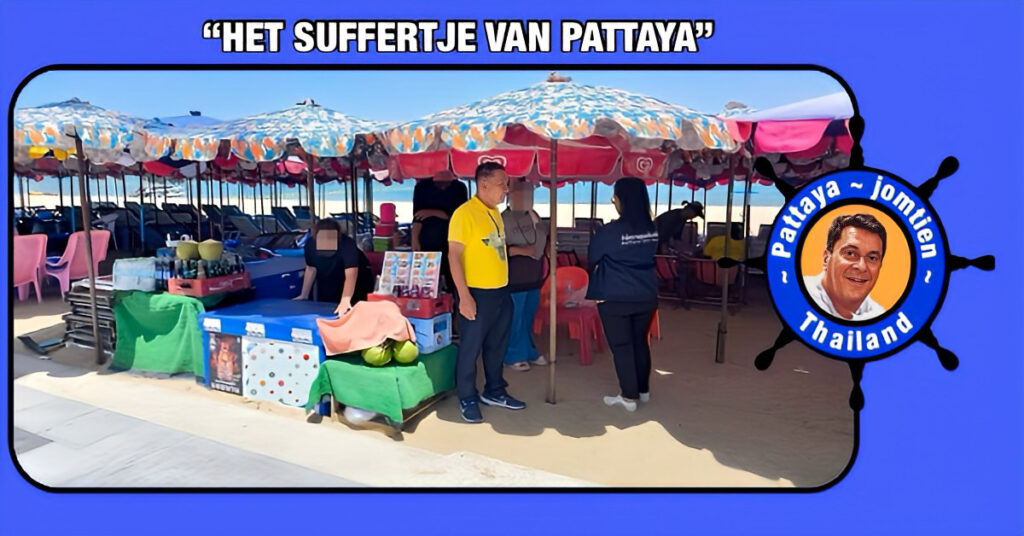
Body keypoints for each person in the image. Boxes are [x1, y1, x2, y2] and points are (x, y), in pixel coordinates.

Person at [448, 162, 524, 423]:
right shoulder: (464, 214)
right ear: (484, 184)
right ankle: (467, 396)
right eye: (503, 183)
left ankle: (495, 390)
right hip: (477, 293)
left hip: (501, 292)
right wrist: (464, 296)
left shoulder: (494, 212)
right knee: (470, 348)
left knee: (496, 347)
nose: (507, 188)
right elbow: (454, 256)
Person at [586, 177, 659, 412]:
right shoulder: (652, 230)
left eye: (614, 196)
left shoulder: (610, 231)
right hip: (646, 294)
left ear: (620, 200)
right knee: (640, 343)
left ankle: (628, 397)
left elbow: (593, 257)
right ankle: (643, 391)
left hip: (615, 295)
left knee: (622, 347)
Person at [501, 177, 549, 372]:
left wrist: (537, 224)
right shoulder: (503, 218)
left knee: (528, 316)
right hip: (514, 278)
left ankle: (528, 350)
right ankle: (513, 354)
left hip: (533, 277)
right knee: (515, 318)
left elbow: (540, 246)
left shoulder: (533, 216)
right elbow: (499, 249)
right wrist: (520, 250)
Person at [803, 213, 886, 321]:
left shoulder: (878, 316)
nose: (862, 266)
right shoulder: (799, 298)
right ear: (826, 258)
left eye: (872, 258)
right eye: (850, 253)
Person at [295, 219, 375, 316]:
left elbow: (351, 274)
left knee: (354, 308)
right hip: (330, 277)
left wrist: (345, 300)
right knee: (328, 303)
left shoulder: (347, 245)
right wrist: (304, 295)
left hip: (359, 279)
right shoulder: (311, 245)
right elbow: (311, 268)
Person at [412, 175, 469, 292]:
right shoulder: (422, 187)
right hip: (428, 241)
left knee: (453, 279)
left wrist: (435, 212)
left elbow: (460, 215)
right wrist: (414, 240)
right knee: (428, 280)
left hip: (452, 241)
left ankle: (455, 304)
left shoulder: (459, 187)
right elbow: (417, 217)